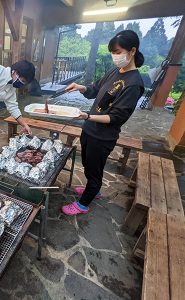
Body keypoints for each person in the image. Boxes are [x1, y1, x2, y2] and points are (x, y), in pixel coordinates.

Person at [62, 30, 145, 216]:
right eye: (113, 52)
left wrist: (87, 117)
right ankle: (95, 190)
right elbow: (95, 89)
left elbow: (117, 117)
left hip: (102, 135)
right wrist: (80, 87)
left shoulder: (133, 83)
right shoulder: (116, 71)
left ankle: (84, 204)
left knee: (94, 168)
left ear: (132, 51)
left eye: (118, 52)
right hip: (90, 129)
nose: (115, 56)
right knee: (89, 165)